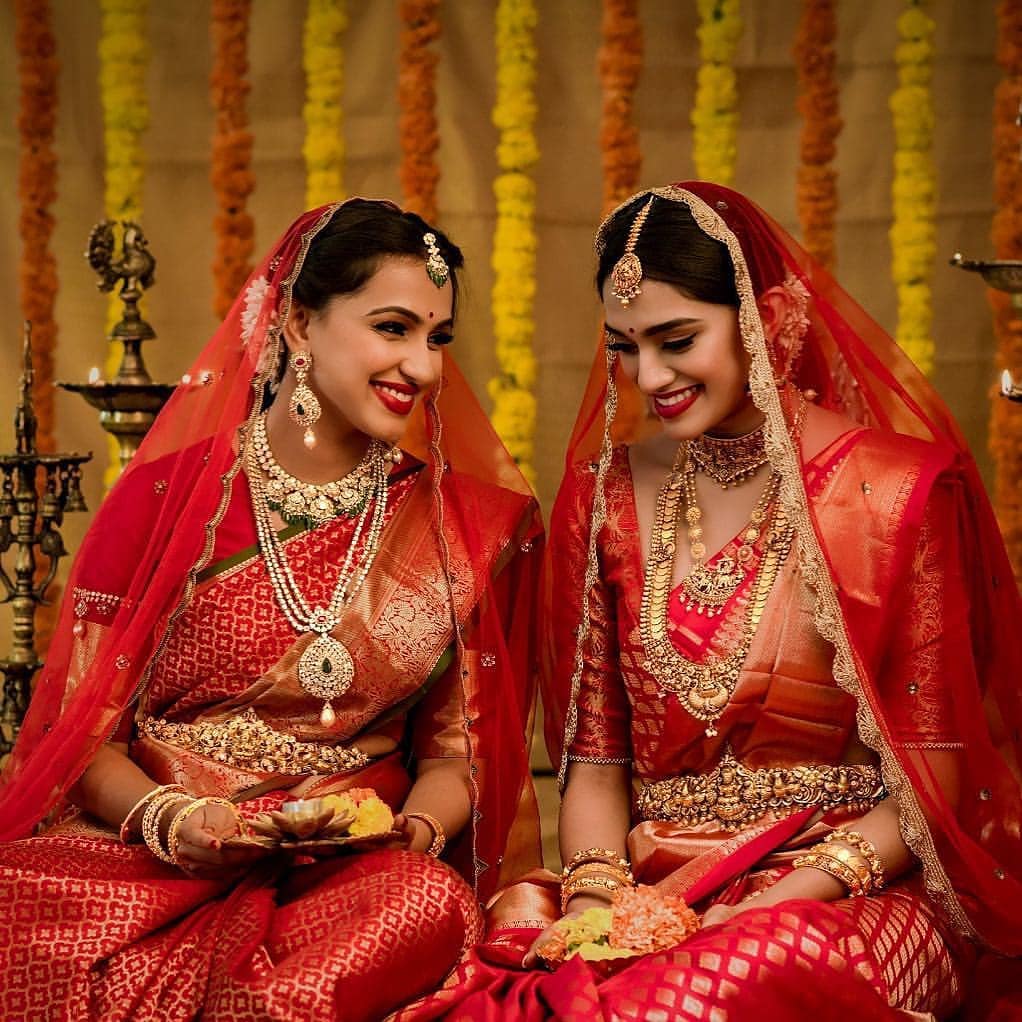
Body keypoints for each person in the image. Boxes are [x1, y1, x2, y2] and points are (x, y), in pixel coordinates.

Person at [404, 182, 1022, 1021]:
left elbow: (934, 773)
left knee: (699, 991)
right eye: (624, 346)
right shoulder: (606, 495)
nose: (648, 375)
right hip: (649, 881)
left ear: (770, 319)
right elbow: (594, 757)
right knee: (504, 971)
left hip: (850, 893)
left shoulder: (894, 492)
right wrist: (594, 902)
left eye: (677, 339)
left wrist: (778, 901)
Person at [0, 199, 543, 1021]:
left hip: (352, 872)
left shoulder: (458, 530)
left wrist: (415, 835)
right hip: (151, 853)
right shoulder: (159, 500)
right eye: (393, 328)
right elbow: (80, 734)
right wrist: (169, 817)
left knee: (428, 908)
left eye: (437, 339)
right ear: (298, 322)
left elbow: (456, 756)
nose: (424, 368)